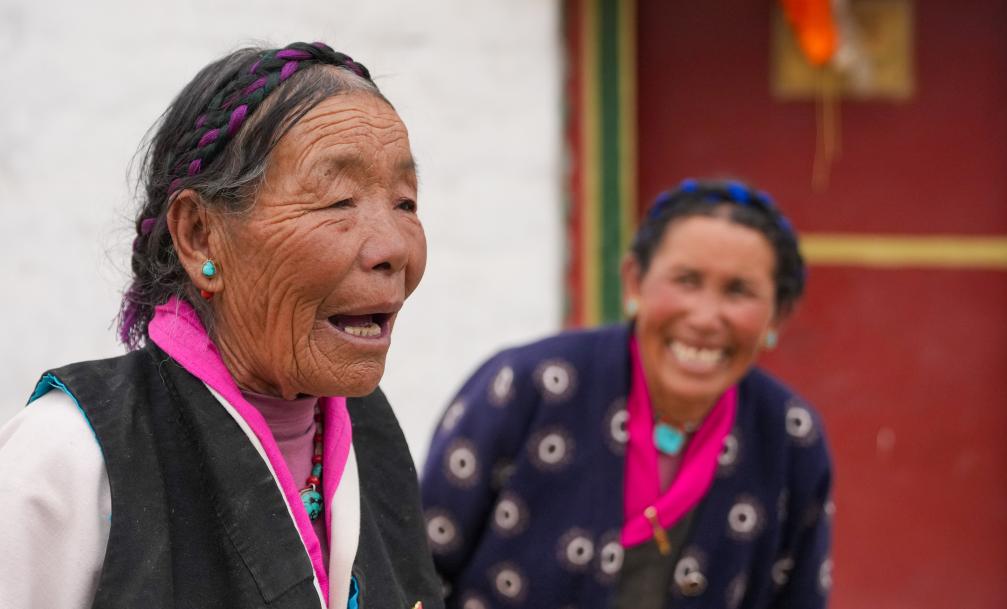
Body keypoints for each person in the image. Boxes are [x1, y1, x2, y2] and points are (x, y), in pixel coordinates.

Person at [0, 42, 441, 609]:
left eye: (405, 203)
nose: (394, 248)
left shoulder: (370, 434)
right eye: (338, 201)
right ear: (200, 237)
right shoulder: (72, 456)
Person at [421, 179, 833, 609]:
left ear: (777, 315)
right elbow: (414, 564)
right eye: (686, 280)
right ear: (635, 282)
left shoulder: (790, 438)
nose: (706, 318)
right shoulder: (531, 386)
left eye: (738, 291)